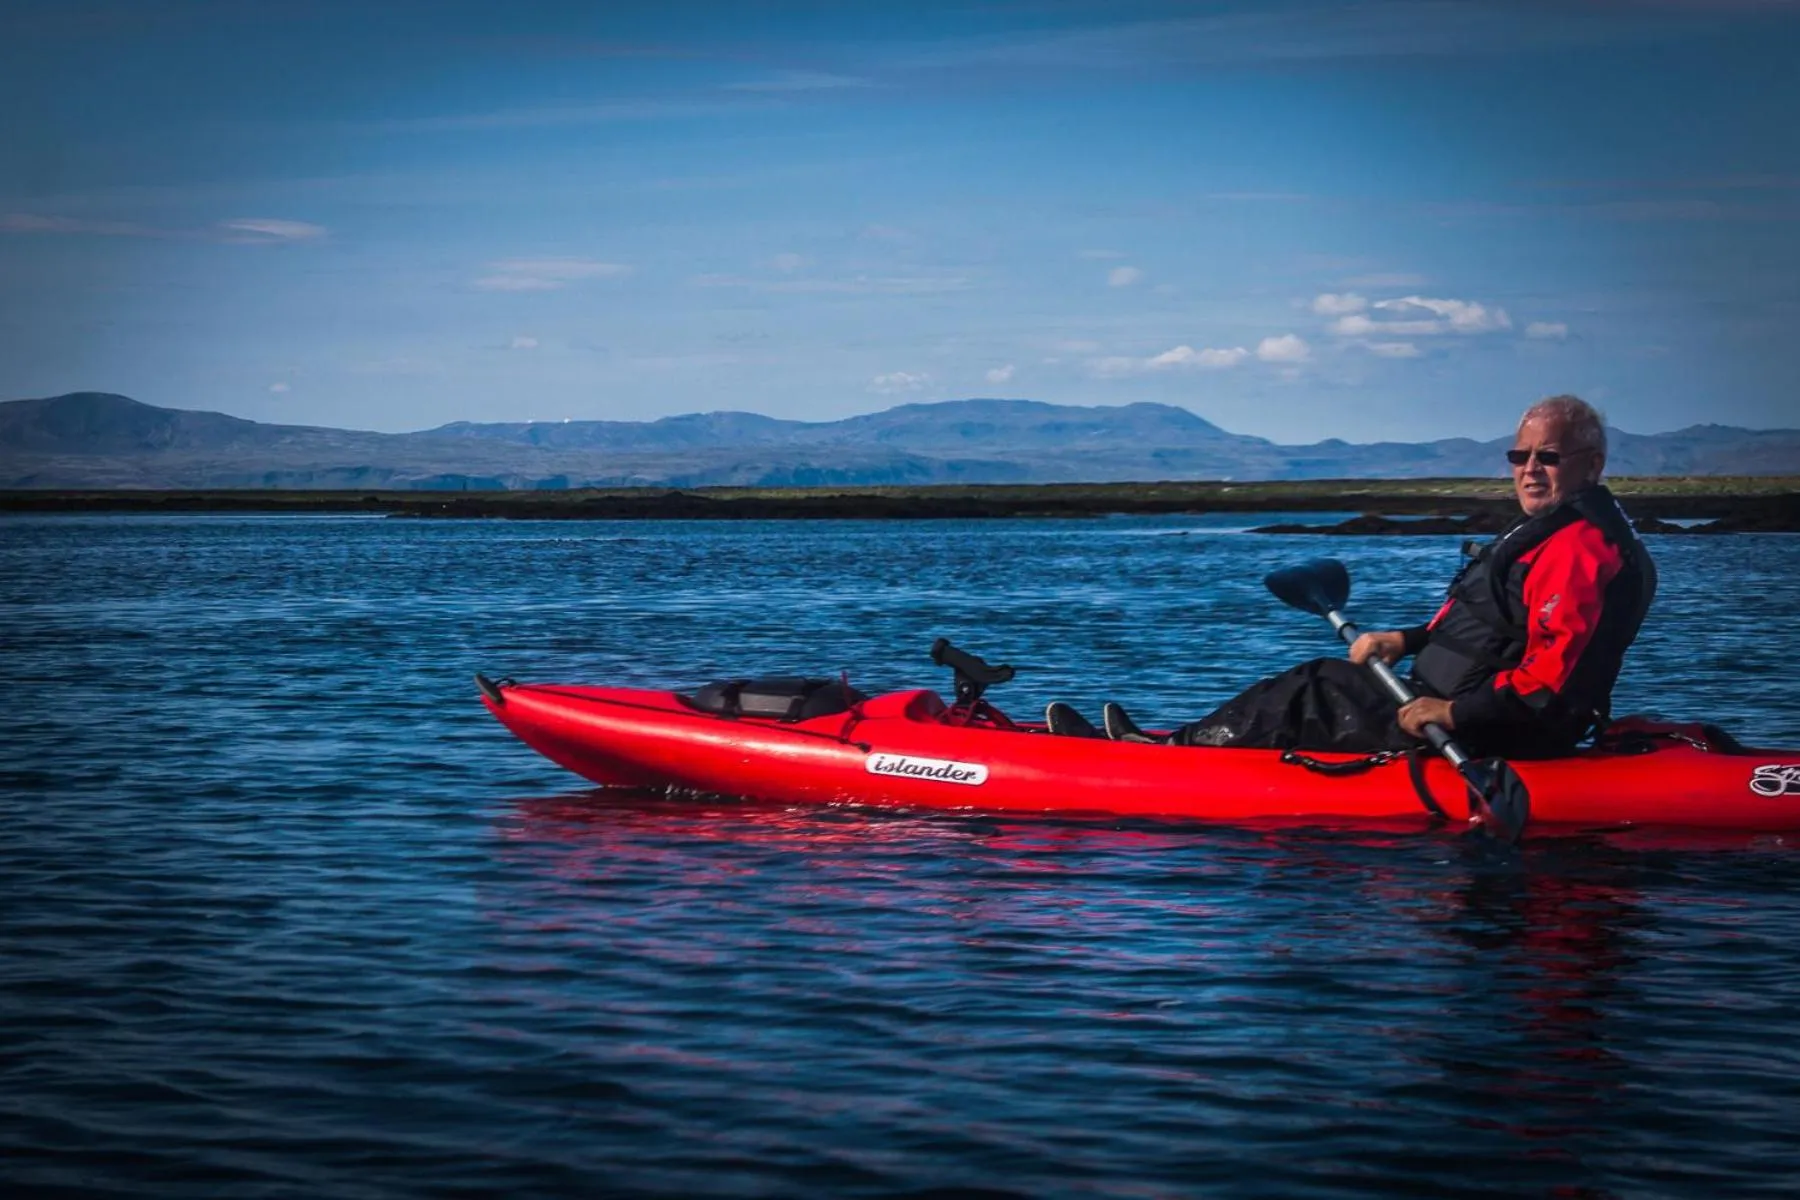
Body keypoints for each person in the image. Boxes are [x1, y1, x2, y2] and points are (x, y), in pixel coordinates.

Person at [1047, 394, 1657, 759]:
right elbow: (1493, 626)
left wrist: (1451, 714)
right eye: (1519, 456)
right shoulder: (1557, 533)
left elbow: (1552, 679)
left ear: (1591, 465)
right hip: (1453, 703)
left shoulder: (1581, 550)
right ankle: (1186, 742)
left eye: (1547, 457)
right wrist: (1406, 641)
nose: (1528, 470)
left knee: (1314, 689)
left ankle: (1167, 757)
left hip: (1496, 730)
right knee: (1323, 684)